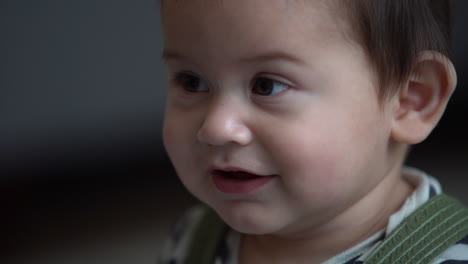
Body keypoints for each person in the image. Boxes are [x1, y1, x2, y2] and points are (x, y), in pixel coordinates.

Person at [158, 0, 468, 263]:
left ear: (409, 100)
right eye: (192, 82)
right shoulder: (192, 239)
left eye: (267, 86)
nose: (215, 128)